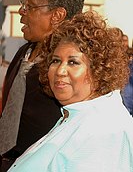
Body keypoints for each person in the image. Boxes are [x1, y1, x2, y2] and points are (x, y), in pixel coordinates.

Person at [8, 11, 133, 172]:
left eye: (73, 62)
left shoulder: (104, 131)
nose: (60, 71)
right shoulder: (78, 115)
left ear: (99, 69)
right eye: (55, 61)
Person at [0, 0, 84, 170]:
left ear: (57, 15)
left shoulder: (72, 66)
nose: (21, 11)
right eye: (23, 4)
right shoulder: (24, 51)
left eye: (30, 6)